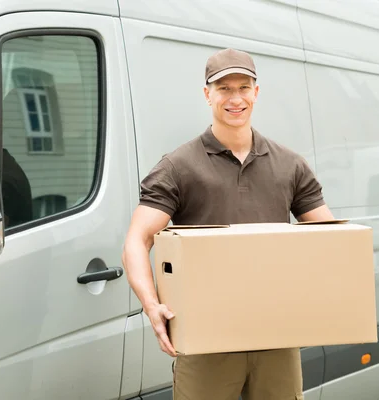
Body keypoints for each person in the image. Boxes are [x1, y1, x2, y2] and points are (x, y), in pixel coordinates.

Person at [122, 48, 335, 400]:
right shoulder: (178, 166)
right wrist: (152, 304)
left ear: (256, 92)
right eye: (223, 88)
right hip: (206, 338)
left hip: (276, 335)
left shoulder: (290, 165)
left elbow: (331, 240)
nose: (235, 98)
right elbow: (136, 240)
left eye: (243, 87)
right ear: (207, 95)